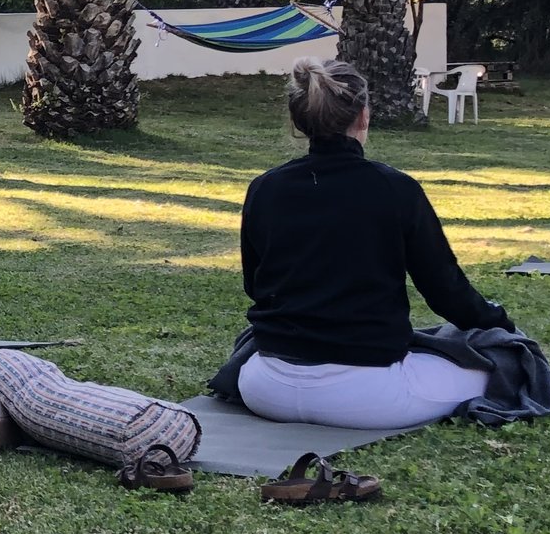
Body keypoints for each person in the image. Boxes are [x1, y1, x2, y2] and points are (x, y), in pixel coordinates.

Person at [221, 59, 519, 429]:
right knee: (497, 364)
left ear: (298, 121)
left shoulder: (265, 187)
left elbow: (255, 285)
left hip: (266, 388)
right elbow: (447, 294)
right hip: (366, 394)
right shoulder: (396, 189)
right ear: (363, 115)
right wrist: (500, 324)